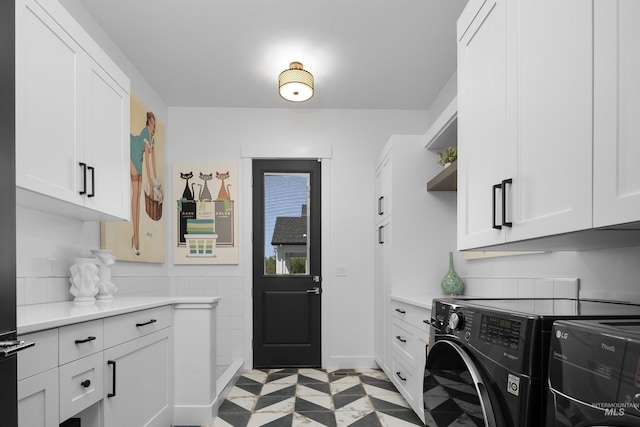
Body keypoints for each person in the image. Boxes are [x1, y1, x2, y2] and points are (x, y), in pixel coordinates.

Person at [130, 112, 158, 256]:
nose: (153, 126)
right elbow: (147, 163)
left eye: (154, 124)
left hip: (138, 157)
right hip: (132, 152)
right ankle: (136, 241)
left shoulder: (152, 138)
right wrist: (151, 187)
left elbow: (153, 161)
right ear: (148, 123)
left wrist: (156, 182)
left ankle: (136, 236)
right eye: (151, 123)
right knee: (136, 195)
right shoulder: (146, 133)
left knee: (139, 196)